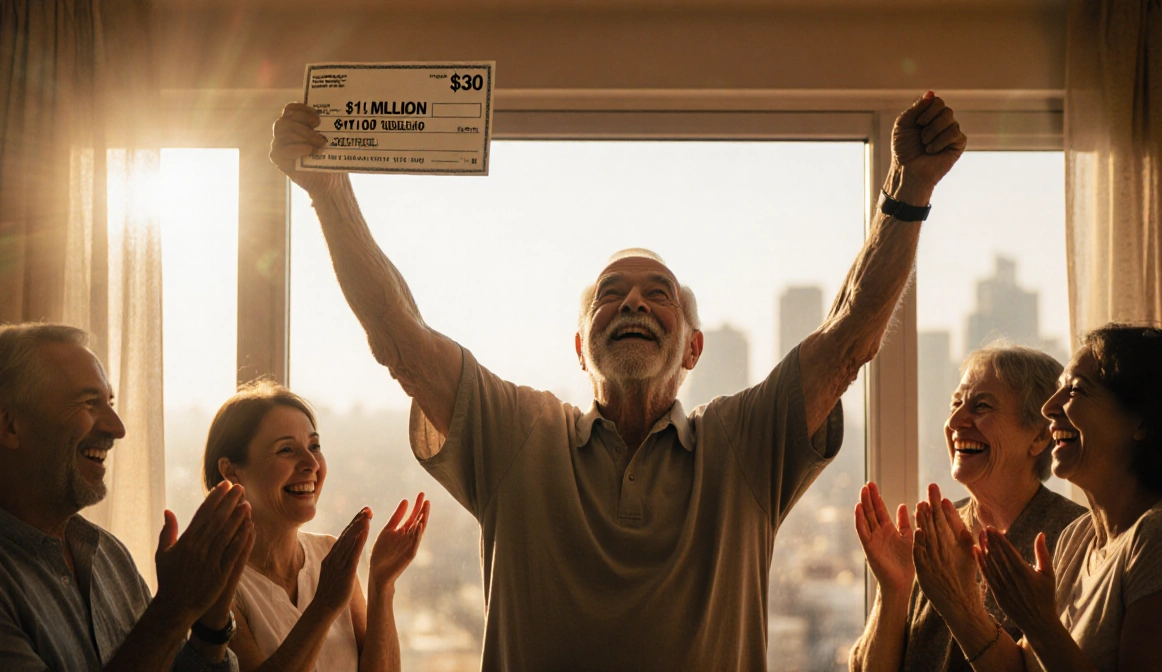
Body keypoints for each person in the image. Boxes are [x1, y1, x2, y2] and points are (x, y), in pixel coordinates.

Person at [269, 91, 967, 670]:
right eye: (611, 292)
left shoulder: (742, 445)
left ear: (693, 348)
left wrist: (907, 191)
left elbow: (849, 339)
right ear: (580, 347)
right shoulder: (518, 435)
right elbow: (400, 339)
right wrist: (328, 192)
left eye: (657, 292)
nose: (632, 301)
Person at [911, 325, 1162, 671]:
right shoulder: (1077, 538)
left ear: (1142, 421)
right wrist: (959, 601)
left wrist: (1039, 624)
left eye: (1075, 391)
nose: (1049, 408)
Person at [0, 322, 252, 671]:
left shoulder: (109, 554)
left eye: (110, 402)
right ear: (10, 426)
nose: (117, 428)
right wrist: (174, 608)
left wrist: (209, 624)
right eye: (89, 403)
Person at [849, 345, 1085, 672]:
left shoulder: (1074, 539)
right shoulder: (933, 531)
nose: (955, 421)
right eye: (956, 403)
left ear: (1040, 436)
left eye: (981, 406)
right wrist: (894, 589)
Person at [202, 380, 430, 672]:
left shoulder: (328, 553)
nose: (311, 462)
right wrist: (324, 605)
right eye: (286, 450)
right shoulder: (218, 587)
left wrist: (382, 584)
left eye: (314, 446)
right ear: (231, 470)